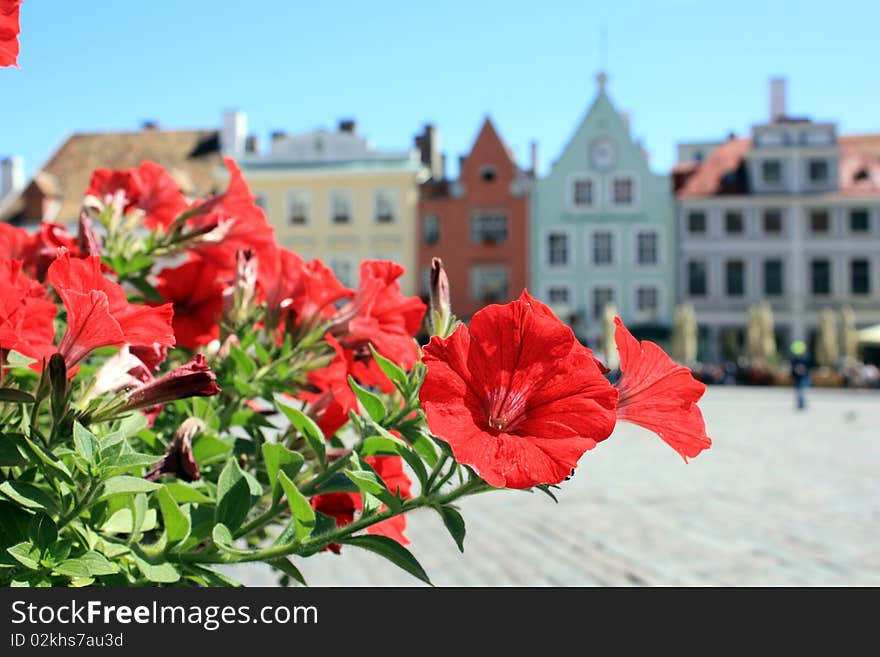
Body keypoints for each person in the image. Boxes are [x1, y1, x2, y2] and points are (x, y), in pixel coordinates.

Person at [789, 341, 811, 410]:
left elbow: (808, 369)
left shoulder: (805, 359)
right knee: (799, 391)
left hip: (804, 377)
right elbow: (792, 370)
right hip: (797, 378)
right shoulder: (794, 360)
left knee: (801, 391)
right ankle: (800, 404)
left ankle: (801, 404)